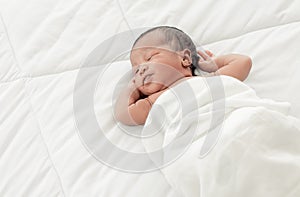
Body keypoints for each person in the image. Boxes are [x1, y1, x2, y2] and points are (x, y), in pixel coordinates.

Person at [114, 26, 252, 125]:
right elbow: (123, 114)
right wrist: (131, 89)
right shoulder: (153, 102)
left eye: (150, 58)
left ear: (185, 59)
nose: (141, 70)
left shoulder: (207, 81)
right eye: (136, 71)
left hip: (233, 122)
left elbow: (243, 62)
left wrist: (212, 64)